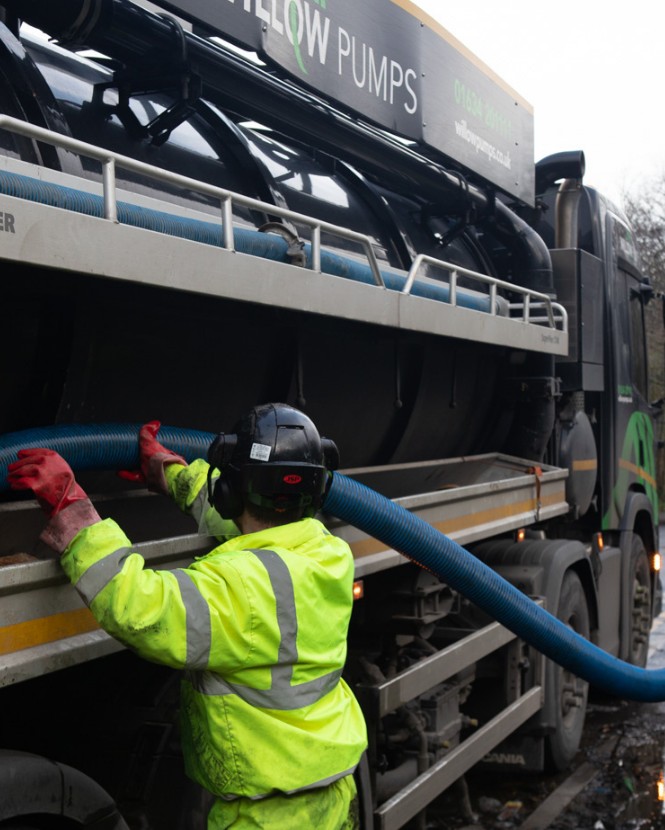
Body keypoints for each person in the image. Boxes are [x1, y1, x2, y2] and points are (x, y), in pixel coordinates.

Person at [8, 403, 368, 829]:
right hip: (328, 791)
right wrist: (171, 473)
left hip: (269, 816)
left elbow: (137, 606)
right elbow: (237, 521)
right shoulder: (326, 554)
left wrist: (72, 509)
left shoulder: (243, 587)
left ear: (231, 490)